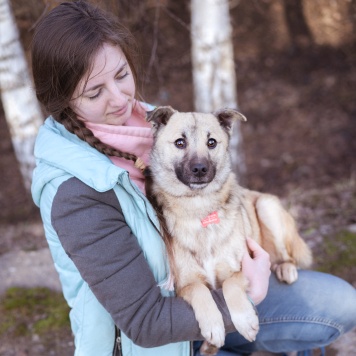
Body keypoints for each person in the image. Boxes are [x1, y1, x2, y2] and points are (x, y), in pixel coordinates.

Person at [30, 1, 356, 356]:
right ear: (64, 102)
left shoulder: (158, 127)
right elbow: (145, 322)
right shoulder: (75, 192)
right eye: (95, 92)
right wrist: (252, 293)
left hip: (219, 287)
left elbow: (217, 201)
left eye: (122, 75)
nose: (121, 98)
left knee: (340, 304)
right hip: (159, 340)